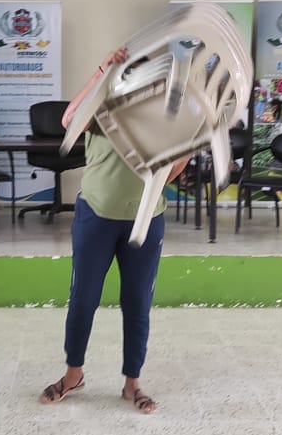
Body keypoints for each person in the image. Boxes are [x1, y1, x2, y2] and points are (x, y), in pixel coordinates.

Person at [39, 47, 192, 414]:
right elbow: (69, 119)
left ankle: (132, 384)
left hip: (145, 220)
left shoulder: (164, 119)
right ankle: (73, 375)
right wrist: (101, 69)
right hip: (96, 215)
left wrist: (175, 160)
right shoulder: (101, 109)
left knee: (137, 303)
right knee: (83, 299)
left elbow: (175, 166)